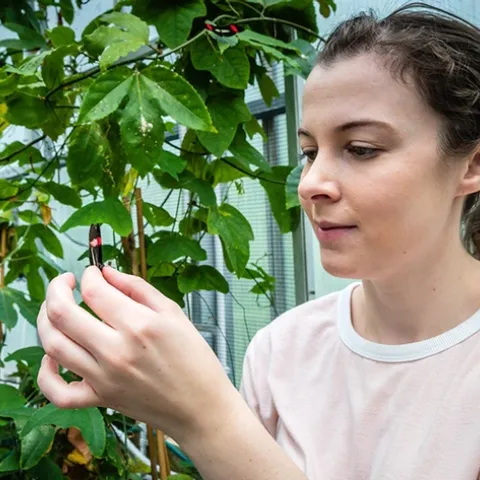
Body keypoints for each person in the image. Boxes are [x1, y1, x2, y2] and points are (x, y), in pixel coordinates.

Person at [36, 2, 480, 479]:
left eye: (361, 149)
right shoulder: (282, 350)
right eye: (309, 151)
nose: (310, 183)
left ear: (470, 166)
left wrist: (205, 418)